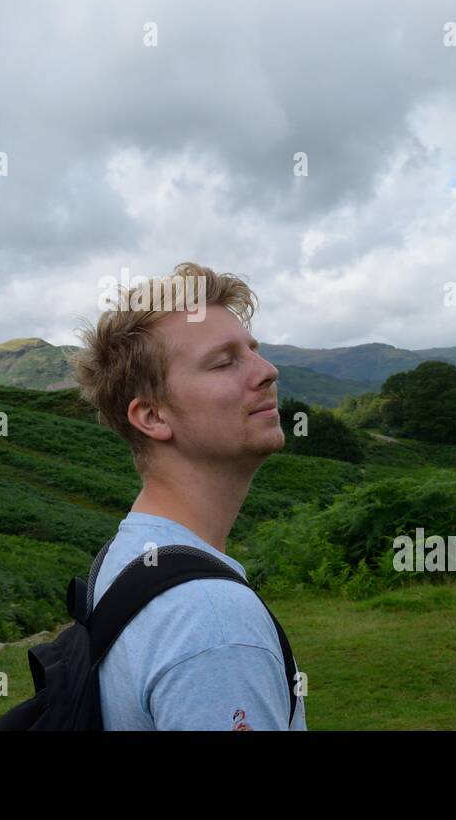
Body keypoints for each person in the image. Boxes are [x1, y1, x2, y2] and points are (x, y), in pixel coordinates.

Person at [69, 262, 307, 730]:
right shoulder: (214, 625)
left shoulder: (126, 557)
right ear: (153, 417)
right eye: (224, 362)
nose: (267, 371)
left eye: (254, 351)